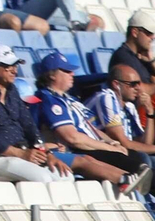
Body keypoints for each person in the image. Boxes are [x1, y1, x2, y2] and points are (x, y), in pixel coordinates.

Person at [33, 50, 152, 192]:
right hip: (79, 150)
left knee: (137, 159)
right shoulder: (50, 100)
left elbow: (91, 127)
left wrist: (111, 142)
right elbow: (73, 138)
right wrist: (109, 148)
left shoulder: (69, 99)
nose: (72, 74)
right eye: (66, 71)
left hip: (93, 146)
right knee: (139, 163)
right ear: (51, 75)